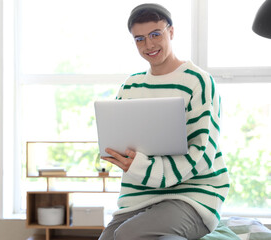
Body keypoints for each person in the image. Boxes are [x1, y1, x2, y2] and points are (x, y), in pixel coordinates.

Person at [98, 3, 230, 240]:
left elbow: (202, 151)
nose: (148, 45)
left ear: (171, 32)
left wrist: (141, 166)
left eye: (155, 34)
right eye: (139, 39)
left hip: (192, 197)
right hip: (140, 197)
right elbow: (119, 140)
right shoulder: (131, 86)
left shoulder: (197, 81)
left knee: (127, 235)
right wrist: (116, 155)